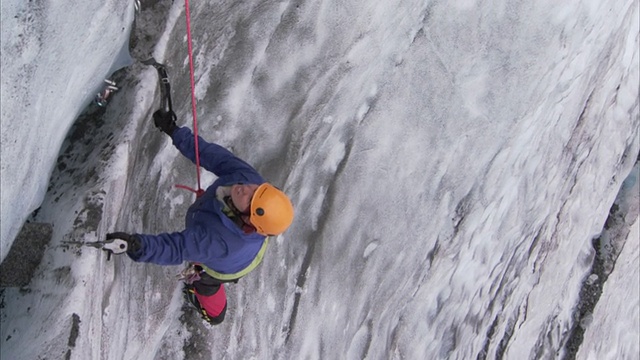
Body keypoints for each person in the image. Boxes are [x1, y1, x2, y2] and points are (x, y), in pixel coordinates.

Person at [104, 110, 294, 325]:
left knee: (214, 311)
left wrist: (134, 246)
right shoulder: (249, 180)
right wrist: (174, 132)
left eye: (251, 200)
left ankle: (203, 302)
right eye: (256, 190)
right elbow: (212, 155)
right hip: (238, 242)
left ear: (248, 219)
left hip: (223, 266)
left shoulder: (218, 242)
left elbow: (175, 247)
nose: (245, 189)